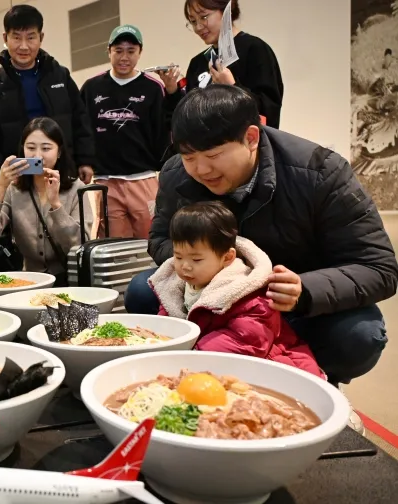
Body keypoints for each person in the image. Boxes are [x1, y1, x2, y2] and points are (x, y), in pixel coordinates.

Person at [125, 85, 397, 390]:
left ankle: (315, 383)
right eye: (189, 157)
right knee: (140, 291)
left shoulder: (320, 172)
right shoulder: (178, 173)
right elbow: (160, 238)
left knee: (360, 335)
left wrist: (304, 290)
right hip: (211, 296)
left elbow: (379, 268)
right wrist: (202, 267)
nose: (201, 169)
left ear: (251, 138)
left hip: (289, 305)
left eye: (213, 155)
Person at [150, 201, 323, 377]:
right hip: (210, 360)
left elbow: (248, 339)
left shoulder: (246, 291)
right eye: (178, 256)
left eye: (196, 260)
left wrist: (195, 354)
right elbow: (169, 318)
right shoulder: (178, 285)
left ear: (227, 257)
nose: (185, 266)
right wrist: (161, 342)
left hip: (268, 364)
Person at [0, 4, 96, 200]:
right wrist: (0, 175)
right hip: (17, 181)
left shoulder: (60, 76)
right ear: (5, 38)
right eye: (16, 37)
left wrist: (85, 160)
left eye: (30, 37)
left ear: (41, 38)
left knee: (66, 226)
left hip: (61, 175)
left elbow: (80, 120)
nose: (23, 46)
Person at [0, 117, 93, 284]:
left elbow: (79, 247)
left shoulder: (76, 188)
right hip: (29, 281)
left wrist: (56, 205)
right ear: (22, 150)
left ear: (59, 152)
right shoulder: (13, 188)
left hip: (69, 281)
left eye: (46, 148)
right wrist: (0, 185)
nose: (37, 155)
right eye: (30, 148)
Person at [80, 24, 170, 239]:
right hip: (105, 180)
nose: (124, 57)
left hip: (144, 178)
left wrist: (165, 169)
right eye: (118, 51)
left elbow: (164, 131)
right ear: (108, 51)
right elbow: (81, 130)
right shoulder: (91, 88)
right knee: (112, 246)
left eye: (131, 51)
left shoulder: (154, 88)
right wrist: (83, 161)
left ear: (140, 52)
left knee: (151, 241)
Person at [157, 0, 284, 128]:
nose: (198, 27)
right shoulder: (198, 62)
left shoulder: (255, 49)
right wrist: (172, 90)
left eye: (204, 17)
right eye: (193, 21)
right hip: (202, 145)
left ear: (226, 11)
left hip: (239, 145)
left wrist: (232, 88)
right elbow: (183, 121)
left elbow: (269, 111)